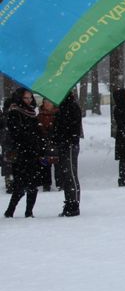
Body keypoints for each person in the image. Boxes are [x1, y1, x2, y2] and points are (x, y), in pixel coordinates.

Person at [4, 88, 43, 218]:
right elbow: (15, 132)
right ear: (20, 98)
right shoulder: (14, 111)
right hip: (21, 152)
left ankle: (29, 212)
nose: (29, 100)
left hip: (32, 152)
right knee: (20, 185)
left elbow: (35, 130)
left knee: (33, 184)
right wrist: (31, 136)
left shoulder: (32, 112)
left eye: (30, 98)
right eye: (26, 98)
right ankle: (10, 211)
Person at [52, 90, 82, 217]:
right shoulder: (63, 107)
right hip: (65, 143)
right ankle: (70, 201)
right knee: (67, 174)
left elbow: (73, 127)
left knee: (70, 174)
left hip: (68, 144)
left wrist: (69, 139)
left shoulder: (71, 106)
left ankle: (73, 203)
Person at [36, 98, 58, 192]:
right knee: (45, 164)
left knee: (58, 163)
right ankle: (46, 184)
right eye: (46, 102)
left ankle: (60, 183)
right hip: (43, 143)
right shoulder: (39, 116)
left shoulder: (58, 114)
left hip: (55, 142)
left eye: (50, 102)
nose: (48, 104)